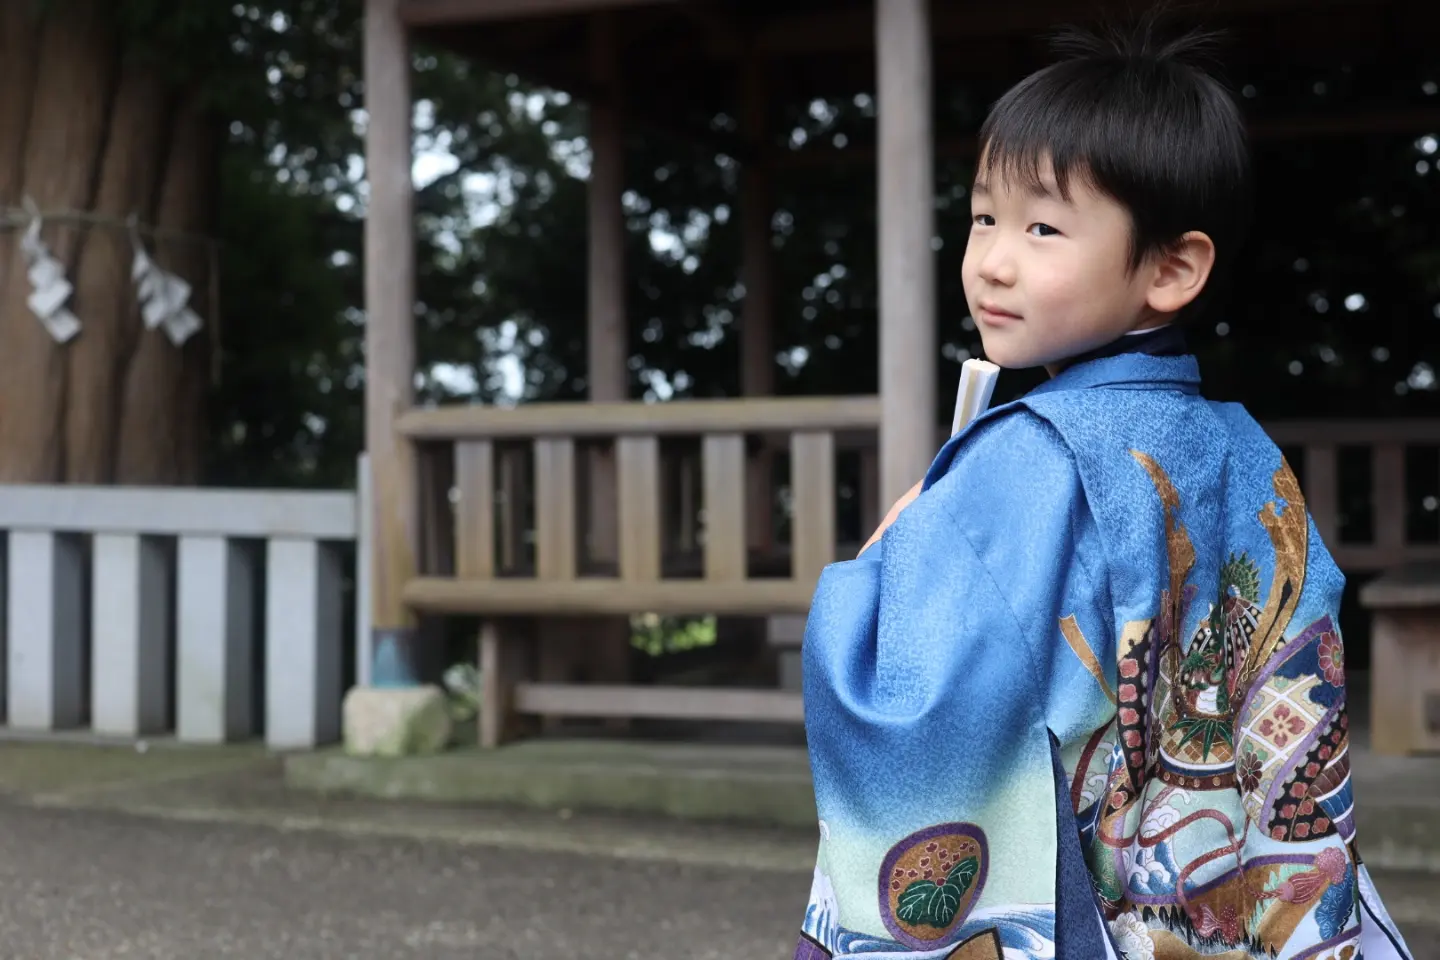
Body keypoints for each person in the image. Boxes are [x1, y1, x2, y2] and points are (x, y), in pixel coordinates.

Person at [793, 17, 1415, 960]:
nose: (993, 260)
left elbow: (913, 695)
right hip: (1217, 887)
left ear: (1172, 268)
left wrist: (878, 566)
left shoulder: (1025, 457)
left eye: (1042, 228)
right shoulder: (1241, 449)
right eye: (984, 217)